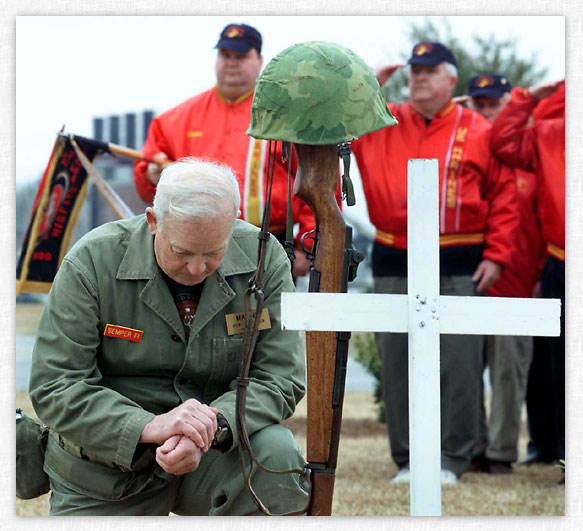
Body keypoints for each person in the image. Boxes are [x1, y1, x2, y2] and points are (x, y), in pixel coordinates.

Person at [29, 158, 309, 515]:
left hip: (215, 454)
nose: (196, 267)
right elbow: (57, 386)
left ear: (234, 222)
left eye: (213, 253)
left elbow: (280, 376)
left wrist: (214, 425)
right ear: (153, 222)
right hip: (107, 464)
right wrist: (149, 426)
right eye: (181, 252)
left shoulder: (263, 257)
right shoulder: (91, 262)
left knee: (276, 453)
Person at [351, 42, 518, 484]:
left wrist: (498, 255)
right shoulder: (382, 120)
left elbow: (504, 196)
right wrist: (374, 77)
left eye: (430, 71)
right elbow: (337, 118)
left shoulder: (478, 128)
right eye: (414, 70)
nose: (419, 77)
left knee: (460, 362)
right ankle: (407, 459)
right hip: (394, 252)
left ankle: (452, 458)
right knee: (398, 359)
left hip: (461, 254)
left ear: (451, 80)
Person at [133, 23, 314, 278]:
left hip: (268, 241)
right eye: (225, 56)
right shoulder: (176, 119)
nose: (231, 63)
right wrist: (151, 174)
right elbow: (147, 186)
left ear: (259, 60)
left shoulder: (288, 117)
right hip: (194, 244)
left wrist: (307, 246)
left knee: (266, 318)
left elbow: (315, 184)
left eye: (241, 57)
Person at [466, 74, 542, 474]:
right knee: (465, 370)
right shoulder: (467, 158)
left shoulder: (530, 160)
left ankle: (501, 452)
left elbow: (550, 221)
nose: (485, 112)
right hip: (470, 281)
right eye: (478, 104)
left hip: (516, 285)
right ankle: (473, 446)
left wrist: (543, 272)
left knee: (509, 372)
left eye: (493, 104)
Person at [490, 79, 565, 469]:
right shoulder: (550, 132)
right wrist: (529, 97)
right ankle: (561, 455)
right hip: (558, 264)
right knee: (557, 369)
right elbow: (503, 141)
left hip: (539, 269)